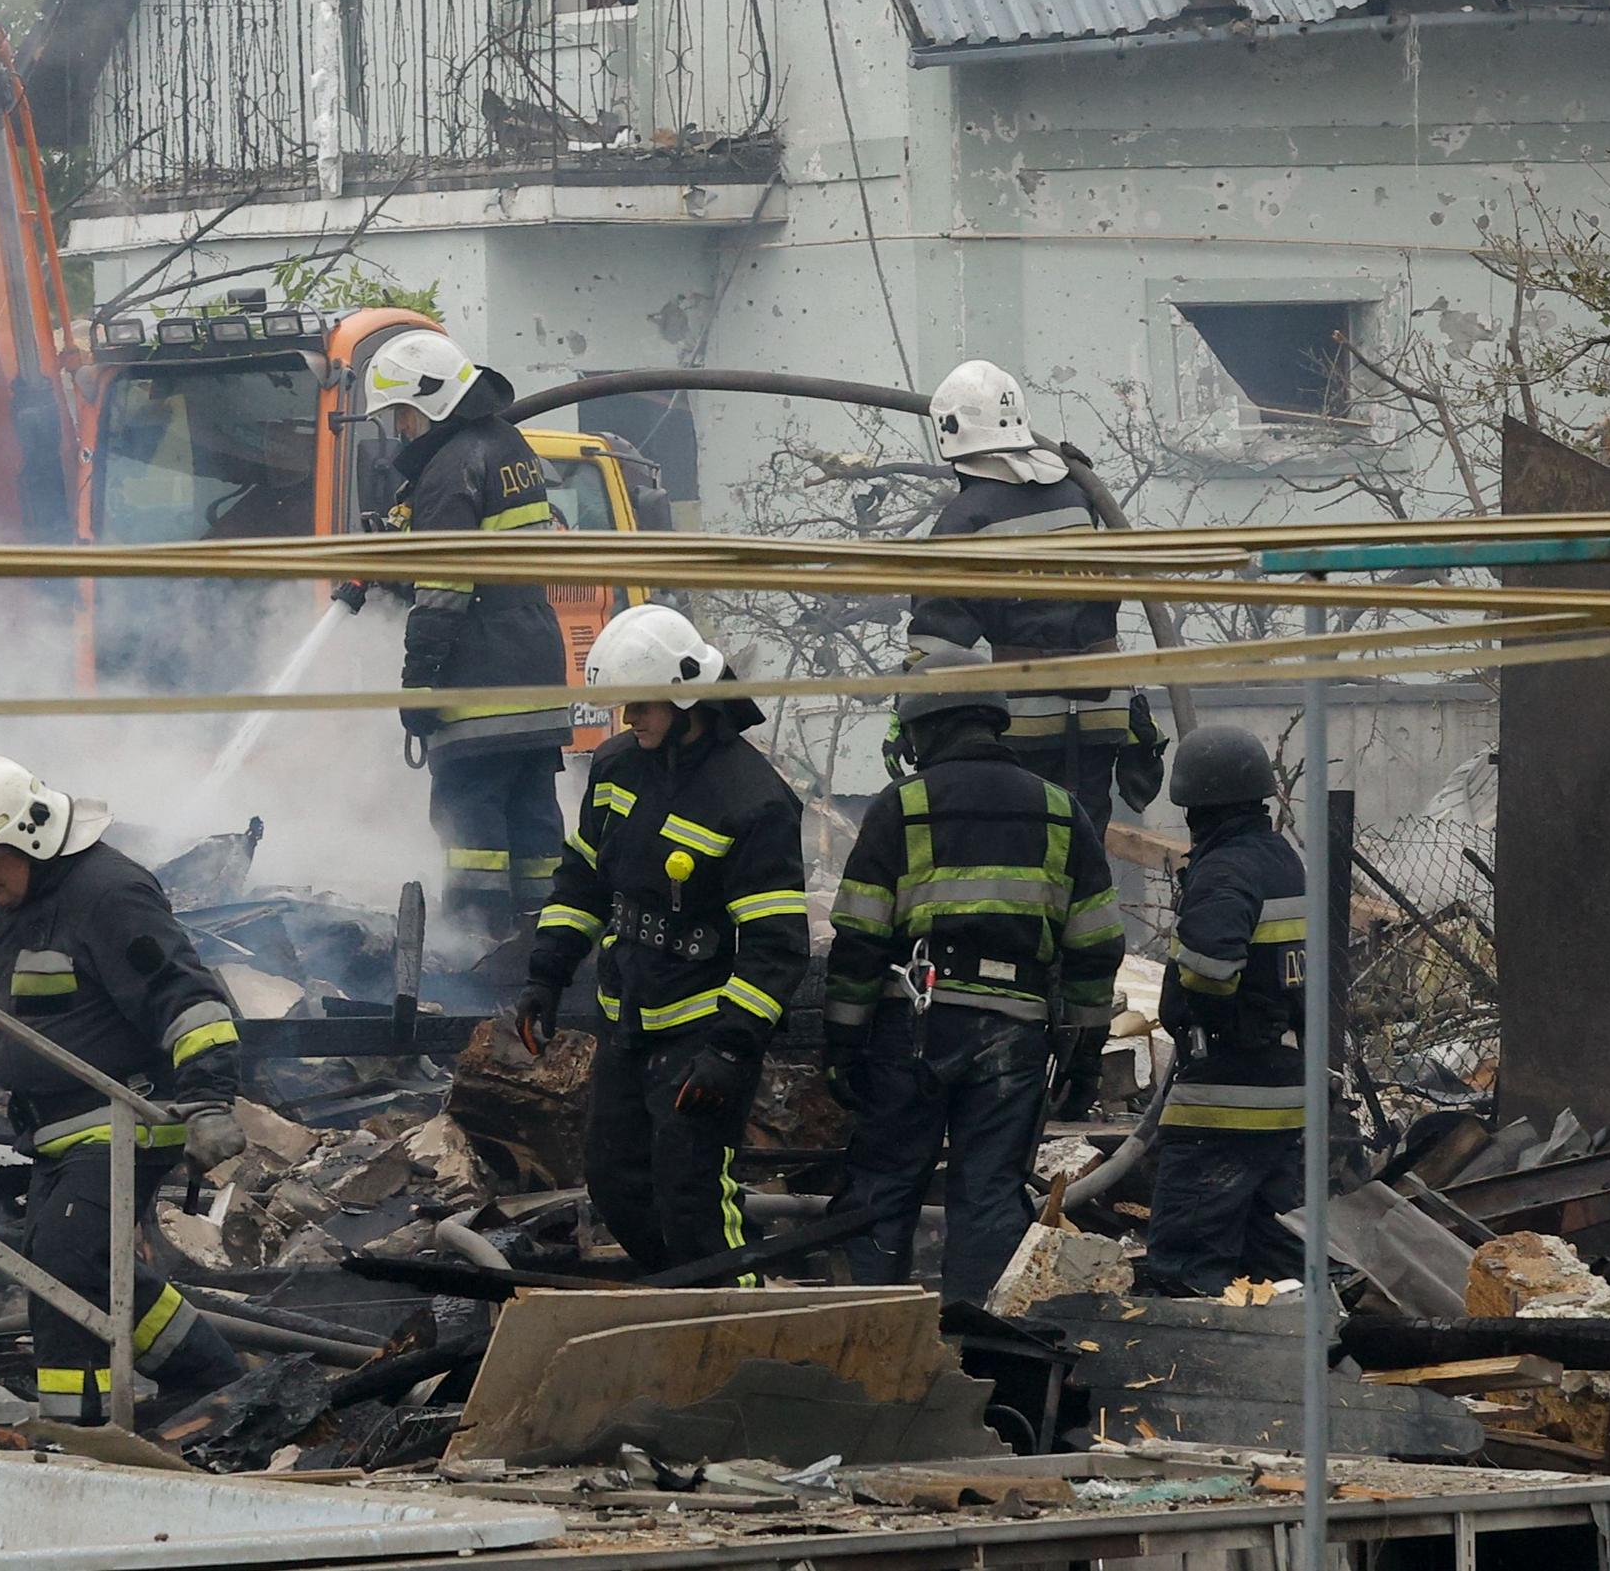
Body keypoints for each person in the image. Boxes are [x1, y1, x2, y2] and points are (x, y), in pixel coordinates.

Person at [0, 756, 247, 1423]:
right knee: (72, 1268)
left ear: (29, 836)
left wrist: (208, 1099)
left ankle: (88, 1428)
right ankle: (205, 1384)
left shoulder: (109, 894)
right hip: (59, 1132)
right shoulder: (15, 910)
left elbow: (185, 996)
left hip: (124, 1117)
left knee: (67, 1262)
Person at [514, 605, 811, 1283]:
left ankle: (739, 1322)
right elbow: (583, 881)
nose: (630, 719)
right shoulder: (617, 766)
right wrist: (546, 974)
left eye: (641, 705)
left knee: (693, 1200)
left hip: (701, 1038)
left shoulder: (753, 799)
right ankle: (676, 1300)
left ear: (685, 697)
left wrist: (730, 1050)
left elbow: (775, 944)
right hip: (627, 1023)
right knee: (617, 1186)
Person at [823, 677, 1126, 1303]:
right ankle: (977, 1345)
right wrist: (1084, 1059)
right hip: (1015, 1036)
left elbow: (859, 937)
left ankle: (866, 1327)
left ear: (925, 728)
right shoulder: (1061, 811)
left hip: (914, 1025)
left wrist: (842, 1046)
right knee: (989, 1197)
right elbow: (1095, 947)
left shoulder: (901, 806)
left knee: (883, 1186)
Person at [361, 327, 575, 950]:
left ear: (429, 402)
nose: (401, 430)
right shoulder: (509, 446)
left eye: (402, 414)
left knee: (469, 823)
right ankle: (543, 944)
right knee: (534, 823)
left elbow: (444, 590)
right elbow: (489, 566)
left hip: (480, 679)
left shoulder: (451, 469)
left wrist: (419, 684)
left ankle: (478, 949)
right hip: (536, 670)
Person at [909, 359, 1165, 829]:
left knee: (1027, 839)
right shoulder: (1076, 492)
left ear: (949, 430)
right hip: (1105, 709)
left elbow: (938, 641)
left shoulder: (965, 519)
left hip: (1027, 717)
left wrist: (904, 711)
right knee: (1085, 840)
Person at [1134, 724, 1312, 1297]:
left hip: (1223, 1102)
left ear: (1193, 806)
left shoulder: (1225, 869)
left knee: (1186, 1267)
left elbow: (1209, 967)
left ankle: (1185, 1350)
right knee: (1275, 1267)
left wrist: (1214, 1022)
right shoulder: (1282, 860)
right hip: (1284, 1093)